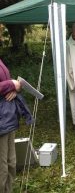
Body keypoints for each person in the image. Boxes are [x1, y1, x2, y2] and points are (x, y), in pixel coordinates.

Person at [0, 58, 33, 193]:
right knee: (1, 166)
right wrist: (11, 84)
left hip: (7, 118)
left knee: (11, 162)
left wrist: (13, 88)